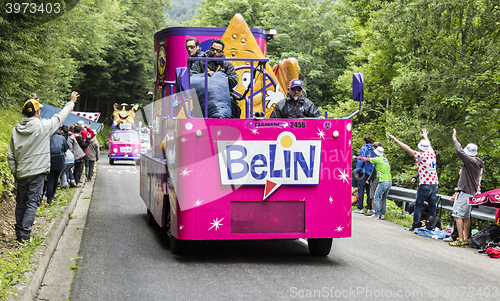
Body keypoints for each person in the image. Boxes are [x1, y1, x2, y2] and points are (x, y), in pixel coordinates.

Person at [8, 91, 79, 242]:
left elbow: (11, 155)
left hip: (21, 173)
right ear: (38, 111)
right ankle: (25, 234)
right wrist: (71, 102)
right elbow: (60, 116)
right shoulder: (43, 127)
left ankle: (19, 230)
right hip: (37, 173)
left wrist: (15, 172)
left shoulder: (16, 129)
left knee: (20, 202)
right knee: (32, 202)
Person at [390, 129, 438, 231]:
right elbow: (429, 145)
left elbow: (408, 149)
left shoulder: (422, 155)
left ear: (420, 148)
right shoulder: (431, 153)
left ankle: (415, 225)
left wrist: (396, 140)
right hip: (434, 183)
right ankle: (433, 226)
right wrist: (425, 136)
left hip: (425, 183)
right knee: (432, 206)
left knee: (418, 205)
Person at [448, 129, 484, 247]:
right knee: (466, 216)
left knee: (457, 215)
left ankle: (461, 239)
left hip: (465, 192)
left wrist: (454, 138)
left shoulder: (470, 161)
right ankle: (466, 239)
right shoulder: (477, 162)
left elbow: (460, 151)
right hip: (471, 192)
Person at [354, 146, 392, 219]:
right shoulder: (385, 160)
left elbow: (366, 159)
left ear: (376, 154)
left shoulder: (378, 159)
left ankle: (376, 214)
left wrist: (357, 157)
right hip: (389, 181)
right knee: (383, 198)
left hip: (383, 181)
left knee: (376, 197)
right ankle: (382, 215)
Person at [44, 130, 69, 204]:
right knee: (56, 178)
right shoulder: (62, 138)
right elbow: (66, 147)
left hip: (50, 159)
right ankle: (53, 194)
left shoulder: (48, 138)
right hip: (60, 160)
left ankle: (49, 198)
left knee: (50, 179)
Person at [353, 136, 374, 214]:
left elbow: (360, 160)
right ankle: (369, 207)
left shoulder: (363, 148)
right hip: (371, 172)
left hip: (363, 172)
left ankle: (360, 208)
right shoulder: (373, 149)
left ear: (364, 141)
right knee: (369, 190)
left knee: (361, 189)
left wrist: (358, 171)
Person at [365, 141, 382, 215]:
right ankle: (380, 211)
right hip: (383, 177)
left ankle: (374, 210)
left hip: (376, 177)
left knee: (373, 193)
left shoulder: (377, 157)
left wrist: (369, 179)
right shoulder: (384, 156)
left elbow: (374, 170)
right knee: (379, 194)